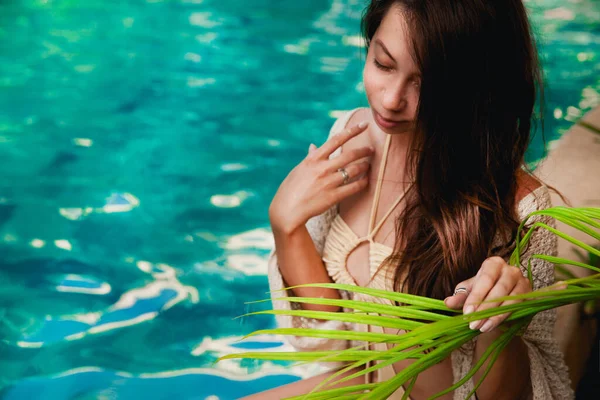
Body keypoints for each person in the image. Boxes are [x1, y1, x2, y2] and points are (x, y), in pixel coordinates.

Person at [242, 0, 574, 399]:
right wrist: (285, 224)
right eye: (383, 64)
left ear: (475, 83)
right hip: (356, 385)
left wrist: (500, 324)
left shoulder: (520, 209)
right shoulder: (351, 134)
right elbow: (328, 347)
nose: (391, 100)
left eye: (425, 83)